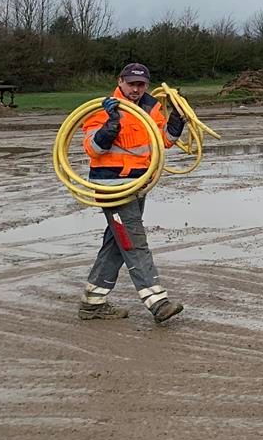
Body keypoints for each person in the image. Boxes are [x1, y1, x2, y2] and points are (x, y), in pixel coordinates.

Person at [77, 63, 186, 324]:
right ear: (121, 82)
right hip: (113, 187)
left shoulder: (151, 107)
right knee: (133, 241)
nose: (136, 89)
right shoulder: (103, 109)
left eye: (141, 84)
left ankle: (93, 303)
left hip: (139, 184)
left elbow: (162, 142)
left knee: (116, 242)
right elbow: (93, 149)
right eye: (131, 83)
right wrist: (109, 128)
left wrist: (177, 121)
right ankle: (157, 301)